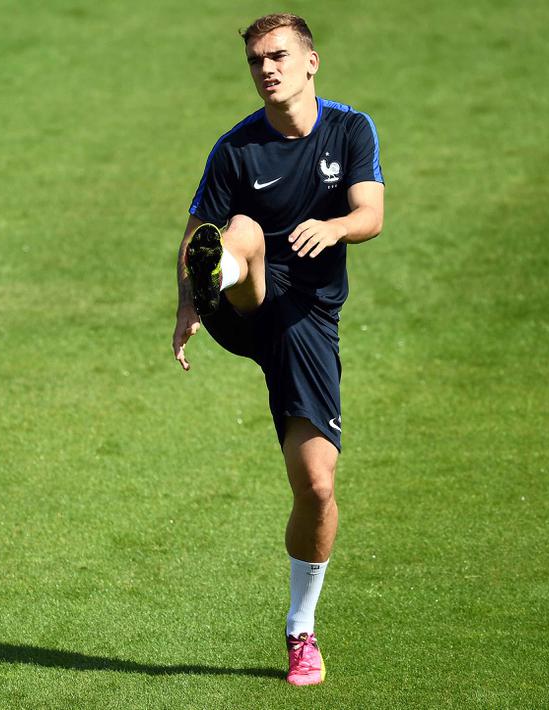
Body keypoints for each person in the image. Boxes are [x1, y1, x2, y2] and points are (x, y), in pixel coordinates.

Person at [171, 13, 385, 687]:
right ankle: (222, 273)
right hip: (247, 303)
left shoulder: (350, 129)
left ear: (310, 61)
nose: (266, 69)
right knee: (239, 229)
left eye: (278, 56)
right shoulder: (235, 149)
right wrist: (187, 304)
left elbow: (371, 213)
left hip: (307, 321)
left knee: (316, 486)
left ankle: (300, 629)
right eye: (256, 61)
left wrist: (336, 227)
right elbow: (193, 231)